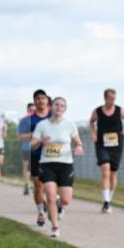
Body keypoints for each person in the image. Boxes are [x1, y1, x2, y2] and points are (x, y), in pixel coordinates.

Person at [30, 96, 83, 238]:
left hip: (65, 164)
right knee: (50, 196)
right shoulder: (42, 125)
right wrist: (41, 141)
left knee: (66, 199)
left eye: (62, 106)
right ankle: (55, 226)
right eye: (56, 105)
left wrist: (78, 146)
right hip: (47, 164)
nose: (59, 108)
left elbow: (77, 140)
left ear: (65, 109)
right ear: (51, 107)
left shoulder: (70, 124)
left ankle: (59, 205)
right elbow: (32, 145)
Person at [88, 88, 124, 213]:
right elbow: (91, 122)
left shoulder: (119, 110)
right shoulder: (97, 111)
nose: (112, 101)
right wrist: (93, 133)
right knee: (105, 169)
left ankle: (109, 199)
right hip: (102, 144)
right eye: (110, 99)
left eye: (114, 99)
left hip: (117, 144)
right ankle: (106, 202)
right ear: (105, 98)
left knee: (113, 173)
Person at [19, 90, 52, 226]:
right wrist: (36, 134)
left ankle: (55, 203)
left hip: (53, 154)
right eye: (37, 99)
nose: (40, 101)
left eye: (43, 98)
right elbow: (20, 137)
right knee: (38, 185)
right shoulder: (27, 119)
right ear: (34, 101)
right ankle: (40, 213)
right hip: (35, 155)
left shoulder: (54, 115)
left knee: (53, 185)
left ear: (47, 100)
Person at [17, 102, 34, 195]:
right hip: (27, 147)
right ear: (28, 110)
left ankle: (36, 185)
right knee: (26, 166)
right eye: (31, 109)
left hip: (38, 147)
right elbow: (19, 136)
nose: (33, 111)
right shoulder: (24, 120)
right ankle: (26, 185)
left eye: (34, 109)